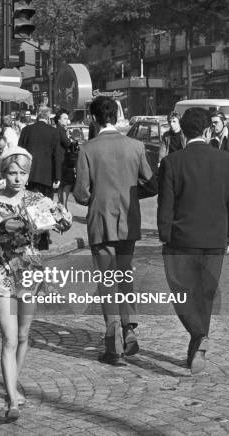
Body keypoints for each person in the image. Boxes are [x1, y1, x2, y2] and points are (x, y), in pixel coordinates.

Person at [0, 147, 72, 421]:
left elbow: (63, 226)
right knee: (9, 338)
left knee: (24, 335)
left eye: (22, 173)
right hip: (2, 271)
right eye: (12, 173)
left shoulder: (37, 199)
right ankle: (12, 400)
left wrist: (62, 213)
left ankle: (12, 383)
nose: (17, 178)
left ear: (28, 174)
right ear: (3, 174)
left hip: (30, 271)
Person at [158, 107, 229, 374]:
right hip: (215, 239)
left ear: (182, 131)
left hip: (180, 241)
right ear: (208, 131)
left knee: (182, 294)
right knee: (204, 295)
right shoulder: (227, 162)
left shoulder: (171, 162)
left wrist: (164, 235)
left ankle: (198, 336)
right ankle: (198, 345)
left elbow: (165, 205)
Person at [73, 96, 155, 365]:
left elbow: (81, 192)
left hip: (101, 219)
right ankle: (129, 328)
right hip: (128, 219)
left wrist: (96, 197)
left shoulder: (87, 149)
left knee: (107, 279)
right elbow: (151, 184)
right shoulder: (136, 145)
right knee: (125, 274)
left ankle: (113, 338)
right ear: (118, 116)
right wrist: (130, 195)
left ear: (93, 118)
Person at [18, 106, 64, 250]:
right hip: (46, 176)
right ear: (48, 116)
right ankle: (43, 240)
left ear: (37, 115)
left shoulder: (26, 130)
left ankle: (29, 238)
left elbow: (20, 153)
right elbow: (57, 155)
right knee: (44, 207)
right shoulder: (54, 132)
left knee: (29, 206)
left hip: (29, 176)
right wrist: (57, 177)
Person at [53, 109, 75, 209]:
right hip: (63, 161)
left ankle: (61, 204)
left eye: (67, 118)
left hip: (59, 160)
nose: (67, 120)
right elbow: (67, 144)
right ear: (58, 120)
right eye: (65, 118)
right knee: (66, 184)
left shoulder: (56, 129)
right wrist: (70, 139)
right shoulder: (61, 130)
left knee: (61, 185)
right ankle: (63, 205)